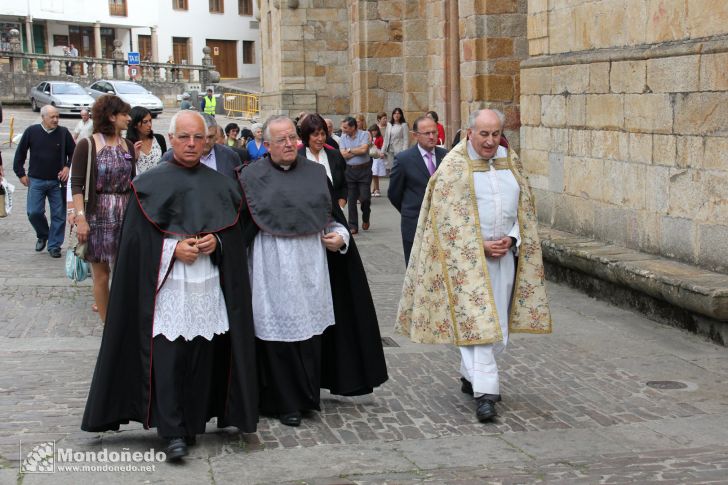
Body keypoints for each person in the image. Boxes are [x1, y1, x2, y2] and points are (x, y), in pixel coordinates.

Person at [81, 110, 258, 461]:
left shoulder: (221, 184)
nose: (191, 144)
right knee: (169, 359)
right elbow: (133, 245)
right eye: (184, 137)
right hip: (168, 288)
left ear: (208, 140)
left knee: (202, 358)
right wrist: (172, 248)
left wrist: (216, 245)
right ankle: (172, 430)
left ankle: (192, 422)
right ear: (171, 139)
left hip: (207, 286)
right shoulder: (149, 184)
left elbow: (235, 239)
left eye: (198, 138)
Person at [395, 109, 552, 423]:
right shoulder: (453, 167)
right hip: (466, 262)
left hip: (505, 258)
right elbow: (444, 217)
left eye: (495, 134)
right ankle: (486, 394)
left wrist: (511, 237)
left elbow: (524, 209)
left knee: (499, 328)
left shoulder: (511, 161)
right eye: (484, 134)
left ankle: (472, 374)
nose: (490, 141)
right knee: (479, 326)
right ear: (469, 132)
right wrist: (478, 244)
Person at [238, 115, 387, 427]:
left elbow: (332, 216)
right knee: (276, 337)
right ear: (266, 145)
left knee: (310, 335)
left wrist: (342, 236)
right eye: (282, 140)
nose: (291, 144)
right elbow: (240, 228)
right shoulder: (250, 176)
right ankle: (282, 402)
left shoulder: (317, 173)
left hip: (310, 267)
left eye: (293, 138)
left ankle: (307, 397)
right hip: (270, 268)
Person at [71, 95, 135, 323]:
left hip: (125, 213)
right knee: (101, 274)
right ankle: (108, 325)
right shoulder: (87, 145)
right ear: (111, 116)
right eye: (124, 114)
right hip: (98, 215)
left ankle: (124, 319)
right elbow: (76, 184)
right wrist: (80, 218)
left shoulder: (128, 146)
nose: (129, 118)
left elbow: (133, 182)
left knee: (125, 272)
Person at [13, 105, 75, 258]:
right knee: (34, 212)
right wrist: (20, 174)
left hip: (57, 182)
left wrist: (68, 167)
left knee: (59, 215)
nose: (55, 119)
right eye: (52, 117)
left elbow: (74, 153)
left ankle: (54, 245)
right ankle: (43, 234)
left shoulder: (63, 133)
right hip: (36, 180)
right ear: (43, 117)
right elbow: (20, 153)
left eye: (57, 116)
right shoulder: (31, 131)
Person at [387, 115, 448, 266]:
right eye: (427, 133)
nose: (432, 136)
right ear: (415, 135)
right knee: (416, 266)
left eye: (434, 132)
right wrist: (410, 210)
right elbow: (394, 193)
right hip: (414, 224)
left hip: (442, 224)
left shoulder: (446, 156)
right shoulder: (404, 159)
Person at [162, 114, 242, 179]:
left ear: (216, 135)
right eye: (200, 136)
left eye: (211, 137)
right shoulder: (169, 157)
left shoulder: (230, 156)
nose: (206, 141)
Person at [297, 113, 347, 208]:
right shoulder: (297, 158)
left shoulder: (336, 155)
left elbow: (343, 186)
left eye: (323, 134)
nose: (320, 138)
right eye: (315, 134)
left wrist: (340, 206)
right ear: (307, 135)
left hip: (333, 216)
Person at [339, 116, 372, 234]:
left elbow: (364, 150)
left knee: (365, 198)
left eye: (345, 127)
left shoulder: (364, 134)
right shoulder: (343, 137)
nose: (343, 129)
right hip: (350, 171)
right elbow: (343, 154)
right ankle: (353, 225)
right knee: (351, 200)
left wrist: (349, 150)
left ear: (353, 127)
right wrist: (355, 150)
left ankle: (366, 217)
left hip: (364, 171)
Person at [125, 106, 167, 174]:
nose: (149, 125)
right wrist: (134, 158)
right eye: (145, 122)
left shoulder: (159, 139)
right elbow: (125, 172)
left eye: (150, 121)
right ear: (135, 124)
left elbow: (165, 164)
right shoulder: (127, 144)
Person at [382, 107, 409, 173]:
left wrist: (404, 152)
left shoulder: (404, 125)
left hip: (399, 150)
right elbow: (386, 138)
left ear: (401, 115)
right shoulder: (389, 124)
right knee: (391, 169)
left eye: (398, 113)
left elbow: (406, 140)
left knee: (398, 168)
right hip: (390, 150)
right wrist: (382, 151)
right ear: (392, 115)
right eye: (395, 113)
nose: (396, 115)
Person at [368, 124, 385, 197]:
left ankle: (376, 189)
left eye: (375, 131)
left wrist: (381, 153)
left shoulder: (380, 138)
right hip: (371, 156)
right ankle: (374, 189)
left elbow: (382, 147)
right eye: (372, 131)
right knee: (373, 174)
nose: (374, 132)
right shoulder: (369, 138)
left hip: (377, 157)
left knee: (375, 173)